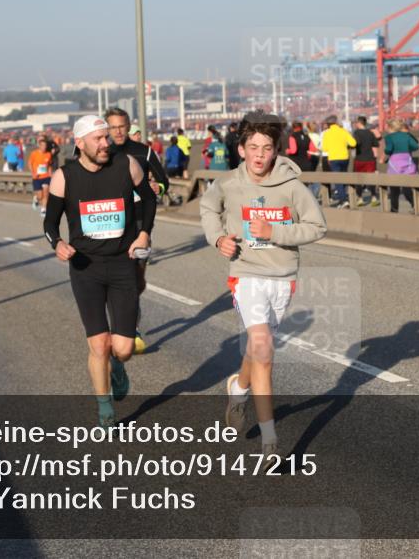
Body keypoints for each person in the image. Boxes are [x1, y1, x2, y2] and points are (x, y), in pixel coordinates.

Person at [199, 112, 327, 457]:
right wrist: (218, 239)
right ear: (241, 149)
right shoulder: (228, 183)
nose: (259, 155)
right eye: (253, 147)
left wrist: (275, 232)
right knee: (263, 350)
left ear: (276, 151)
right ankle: (270, 443)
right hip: (246, 273)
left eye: (266, 148)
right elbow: (208, 209)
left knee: (258, 349)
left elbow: (317, 226)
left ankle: (238, 389)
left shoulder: (291, 186)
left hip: (282, 277)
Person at [44, 114, 157, 427]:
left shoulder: (126, 165)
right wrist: (57, 243)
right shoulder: (64, 177)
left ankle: (118, 365)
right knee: (98, 344)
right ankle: (105, 409)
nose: (106, 143)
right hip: (86, 267)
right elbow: (50, 223)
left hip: (122, 263)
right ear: (80, 143)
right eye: (98, 139)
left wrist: (144, 233)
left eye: (106, 137)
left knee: (123, 348)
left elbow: (149, 200)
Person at [105, 107, 171, 353]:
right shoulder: (102, 152)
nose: (118, 131)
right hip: (112, 223)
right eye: (113, 127)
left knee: (137, 280)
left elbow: (164, 181)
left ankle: (128, 318)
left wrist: (157, 188)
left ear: (128, 126)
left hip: (141, 222)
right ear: (107, 129)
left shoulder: (144, 151)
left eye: (122, 126)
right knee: (116, 278)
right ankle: (127, 329)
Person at [384, 118, 419, 213]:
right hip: (407, 160)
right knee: (407, 187)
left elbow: (388, 150)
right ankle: (415, 205)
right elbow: (415, 146)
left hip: (395, 163)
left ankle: (394, 209)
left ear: (391, 127)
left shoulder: (389, 137)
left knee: (394, 189)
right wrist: (407, 148)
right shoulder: (406, 135)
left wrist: (386, 151)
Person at [320, 116, 357, 207]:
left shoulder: (327, 133)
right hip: (344, 157)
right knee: (343, 177)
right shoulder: (343, 131)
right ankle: (344, 196)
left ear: (328, 124)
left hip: (333, 158)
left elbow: (324, 148)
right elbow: (353, 143)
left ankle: (343, 200)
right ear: (336, 122)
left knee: (337, 179)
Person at [352, 116, 380, 207]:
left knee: (358, 179)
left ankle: (360, 198)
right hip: (370, 158)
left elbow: (355, 144)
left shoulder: (356, 133)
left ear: (359, 123)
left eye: (356, 123)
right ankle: (374, 197)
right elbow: (376, 144)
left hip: (359, 158)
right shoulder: (370, 133)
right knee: (371, 178)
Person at [28, 138, 53, 215]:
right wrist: (33, 173)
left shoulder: (48, 154)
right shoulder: (34, 153)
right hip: (37, 177)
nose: (44, 147)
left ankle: (43, 209)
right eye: (42, 145)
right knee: (40, 196)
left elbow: (49, 165)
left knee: (46, 193)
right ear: (39, 146)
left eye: (45, 146)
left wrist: (50, 173)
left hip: (46, 177)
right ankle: (36, 198)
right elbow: (30, 163)